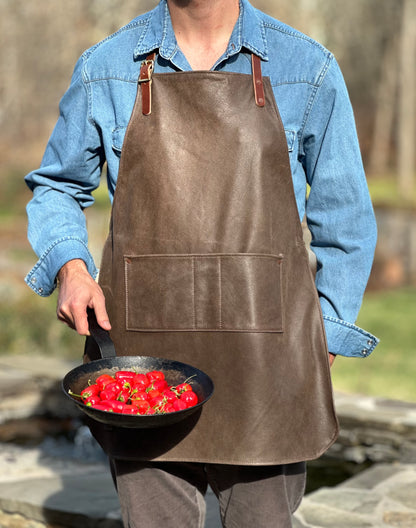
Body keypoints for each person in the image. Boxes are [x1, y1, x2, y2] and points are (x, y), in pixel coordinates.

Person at [25, 0, 379, 526]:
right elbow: (56, 184)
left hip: (267, 367)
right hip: (142, 370)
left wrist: (322, 337)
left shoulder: (308, 69)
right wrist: (71, 268)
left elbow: (345, 221)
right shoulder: (107, 66)